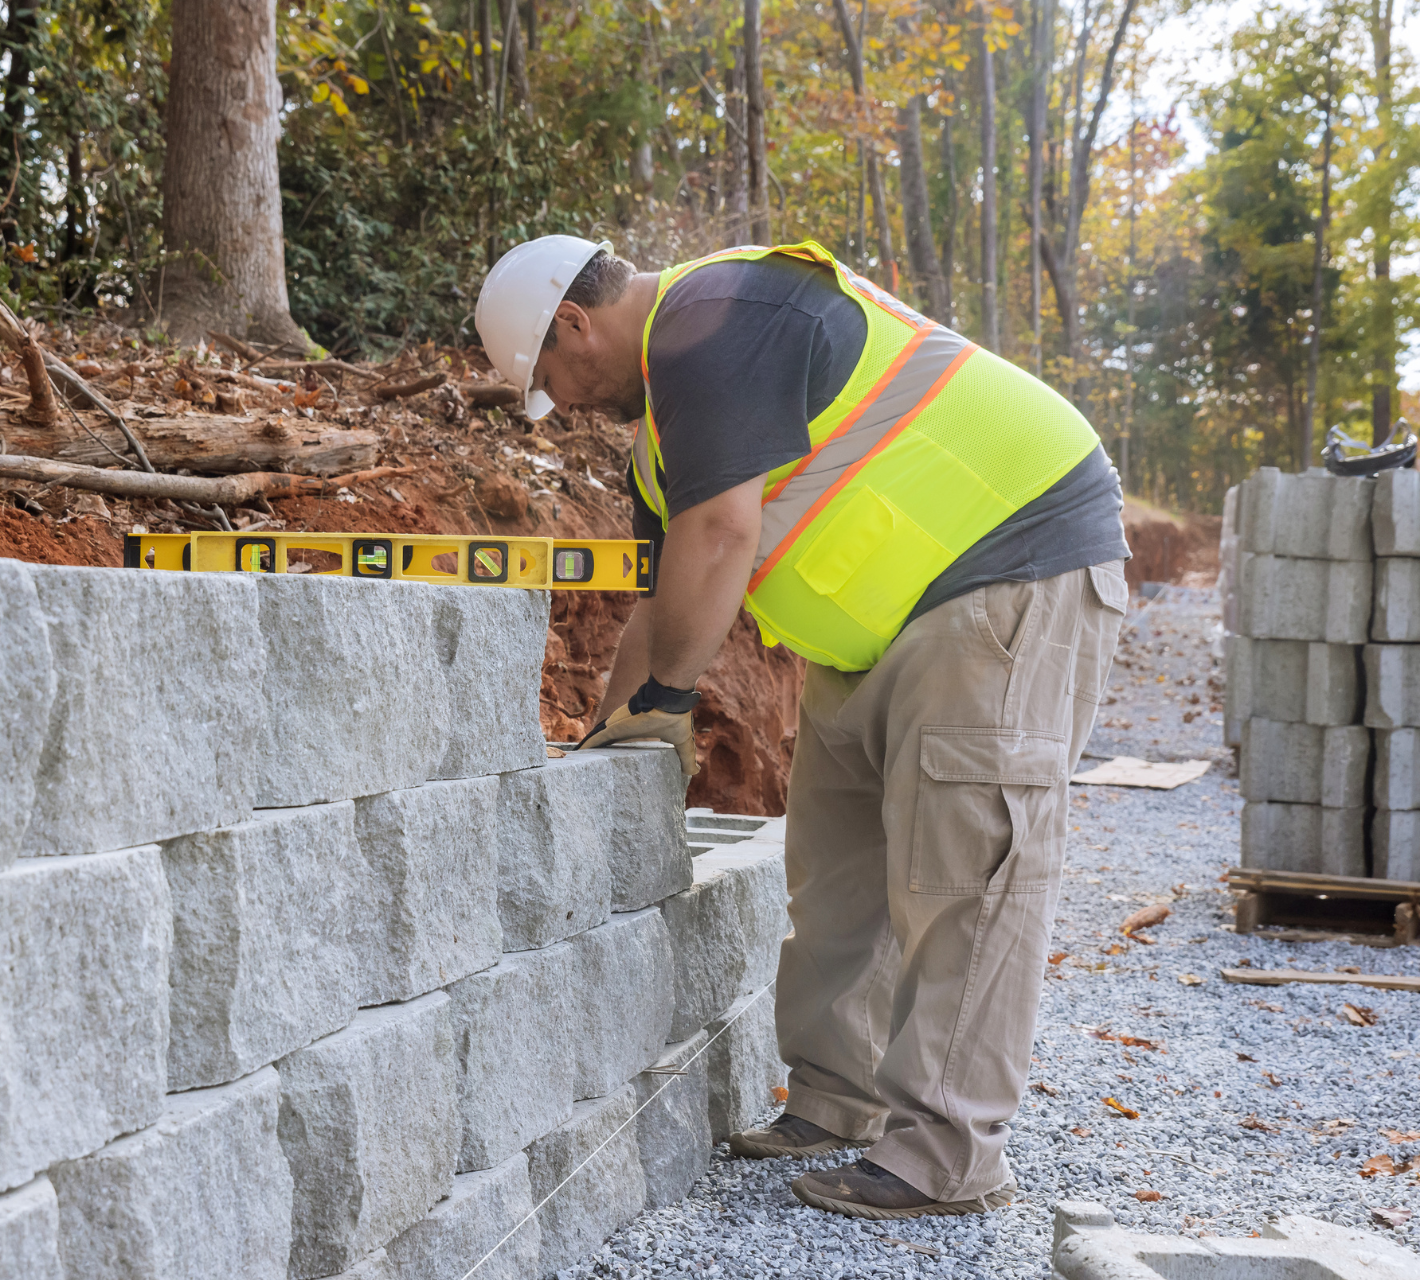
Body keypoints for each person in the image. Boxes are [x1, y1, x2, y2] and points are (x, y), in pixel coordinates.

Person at [473, 236, 1129, 1220]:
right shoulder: (664, 431)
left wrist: (670, 700)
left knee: (964, 874)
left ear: (573, 323)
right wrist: (611, 736)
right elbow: (663, 603)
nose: (560, 401)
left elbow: (723, 535)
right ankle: (840, 1101)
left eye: (551, 379)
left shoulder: (716, 317)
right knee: (837, 870)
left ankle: (944, 1155)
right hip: (880, 627)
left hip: (1009, 562)